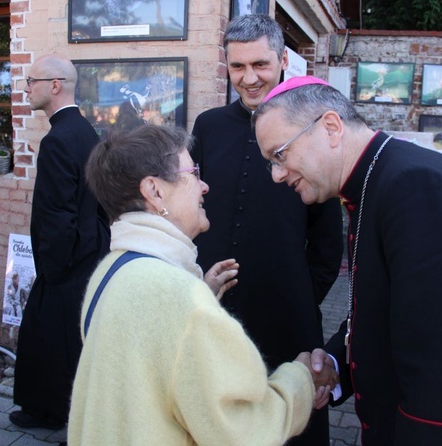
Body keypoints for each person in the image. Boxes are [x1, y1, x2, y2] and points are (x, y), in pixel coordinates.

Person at [253, 75, 442, 444]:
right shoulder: (378, 180)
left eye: (279, 155)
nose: (277, 175)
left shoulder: (418, 189)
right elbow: (389, 309)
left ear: (330, 127)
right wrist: (333, 364)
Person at [67, 124, 338, 445]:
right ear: (154, 191)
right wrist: (301, 379)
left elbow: (147, 372)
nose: (205, 186)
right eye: (193, 173)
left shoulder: (111, 271)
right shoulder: (182, 301)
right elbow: (245, 431)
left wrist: (197, 292)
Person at [191, 14, 344, 445]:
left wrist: (299, 293)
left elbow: (329, 241)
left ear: (281, 61)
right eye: (238, 66)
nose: (249, 77)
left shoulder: (312, 126)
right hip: (216, 306)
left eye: (260, 64)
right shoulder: (209, 126)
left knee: (291, 423)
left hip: (287, 311)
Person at [10, 53, 111, 430]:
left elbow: (55, 215)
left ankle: (70, 418)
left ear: (54, 86)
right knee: (60, 334)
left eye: (31, 82)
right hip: (91, 250)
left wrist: (53, 267)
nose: (25, 90)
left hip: (67, 258)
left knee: (59, 336)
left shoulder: (57, 141)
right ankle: (50, 410)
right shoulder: (86, 131)